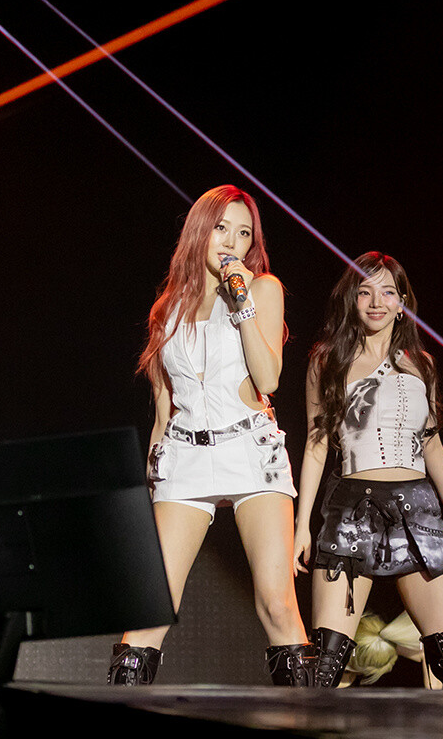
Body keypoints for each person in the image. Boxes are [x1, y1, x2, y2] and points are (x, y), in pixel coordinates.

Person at [108, 185, 314, 686]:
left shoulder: (263, 290)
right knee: (150, 609)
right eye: (222, 228)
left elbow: (268, 378)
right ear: (200, 230)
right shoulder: (167, 309)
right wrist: (149, 485)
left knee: (276, 603)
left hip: (250, 449)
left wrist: (241, 299)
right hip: (184, 456)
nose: (231, 242)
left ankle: (308, 718)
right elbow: (163, 410)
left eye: (244, 233)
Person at [293, 252, 443, 689]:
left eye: (388, 292)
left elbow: (432, 443)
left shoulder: (421, 364)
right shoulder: (327, 361)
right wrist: (302, 526)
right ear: (351, 300)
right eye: (365, 291)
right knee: (324, 668)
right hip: (351, 512)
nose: (376, 302)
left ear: (402, 303)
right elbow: (317, 444)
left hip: (417, 512)